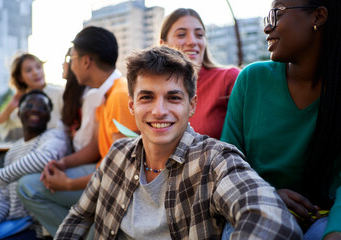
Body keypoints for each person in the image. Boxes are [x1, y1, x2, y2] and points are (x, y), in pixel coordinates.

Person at [54, 45, 302, 239]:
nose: (159, 111)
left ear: (191, 105)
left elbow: (272, 220)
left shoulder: (215, 160)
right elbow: (79, 216)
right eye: (147, 98)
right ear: (132, 106)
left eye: (173, 98)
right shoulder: (117, 154)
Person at [221, 0, 341, 239]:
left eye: (277, 13)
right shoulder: (251, 80)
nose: (267, 27)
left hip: (324, 218)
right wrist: (267, 194)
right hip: (255, 208)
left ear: (318, 17)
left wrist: (334, 232)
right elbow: (226, 166)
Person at [17, 26, 138, 237]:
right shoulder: (105, 93)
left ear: (86, 61)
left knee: (28, 187)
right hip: (101, 175)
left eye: (72, 58)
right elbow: (96, 148)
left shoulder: (119, 95)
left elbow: (120, 170)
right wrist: (63, 163)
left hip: (115, 188)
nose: (70, 65)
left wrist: (68, 183)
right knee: (30, 183)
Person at [0, 90, 71, 239]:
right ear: (18, 112)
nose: (35, 109)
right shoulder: (13, 150)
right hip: (13, 226)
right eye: (29, 105)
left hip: (40, 229)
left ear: (48, 115)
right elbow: (3, 201)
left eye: (42, 107)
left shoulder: (55, 137)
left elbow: (45, 158)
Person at [160, 8, 239, 139]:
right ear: (163, 44)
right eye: (181, 35)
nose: (192, 41)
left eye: (199, 35)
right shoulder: (154, 89)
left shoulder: (229, 78)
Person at [0, 53, 64, 141]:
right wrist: (10, 106)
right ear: (20, 77)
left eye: (38, 67)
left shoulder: (59, 92)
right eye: (29, 70)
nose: (35, 73)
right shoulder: (24, 101)